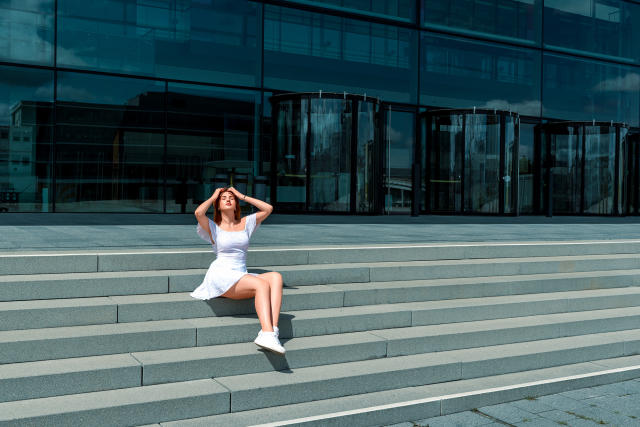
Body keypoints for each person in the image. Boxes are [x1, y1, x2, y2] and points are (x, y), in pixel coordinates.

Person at [192, 186, 285, 355]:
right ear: (218, 205)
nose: (228, 199)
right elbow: (199, 213)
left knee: (276, 277)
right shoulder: (213, 227)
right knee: (261, 284)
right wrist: (214, 196)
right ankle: (267, 332)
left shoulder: (246, 223)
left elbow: (268, 208)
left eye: (231, 198)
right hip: (221, 275)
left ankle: (272, 331)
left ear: (236, 204)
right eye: (224, 198)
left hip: (241, 274)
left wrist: (242, 195)